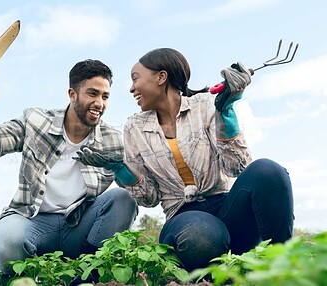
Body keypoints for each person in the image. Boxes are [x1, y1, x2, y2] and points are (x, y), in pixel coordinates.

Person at [74, 48, 294, 272]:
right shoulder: (135, 127)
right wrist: (120, 168)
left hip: (227, 208)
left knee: (268, 170)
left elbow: (236, 167)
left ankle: (284, 265)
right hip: (183, 217)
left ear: (161, 77)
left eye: (135, 79)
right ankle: (216, 264)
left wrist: (225, 112)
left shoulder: (207, 104)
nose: (131, 88)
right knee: (201, 236)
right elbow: (149, 198)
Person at [0, 59, 138, 275]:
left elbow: (137, 191)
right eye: (92, 93)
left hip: (79, 225)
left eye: (105, 96)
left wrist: (120, 168)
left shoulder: (113, 140)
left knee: (122, 199)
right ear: (72, 94)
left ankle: (88, 273)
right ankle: (30, 276)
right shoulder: (37, 121)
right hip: (32, 221)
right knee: (6, 241)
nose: (100, 102)